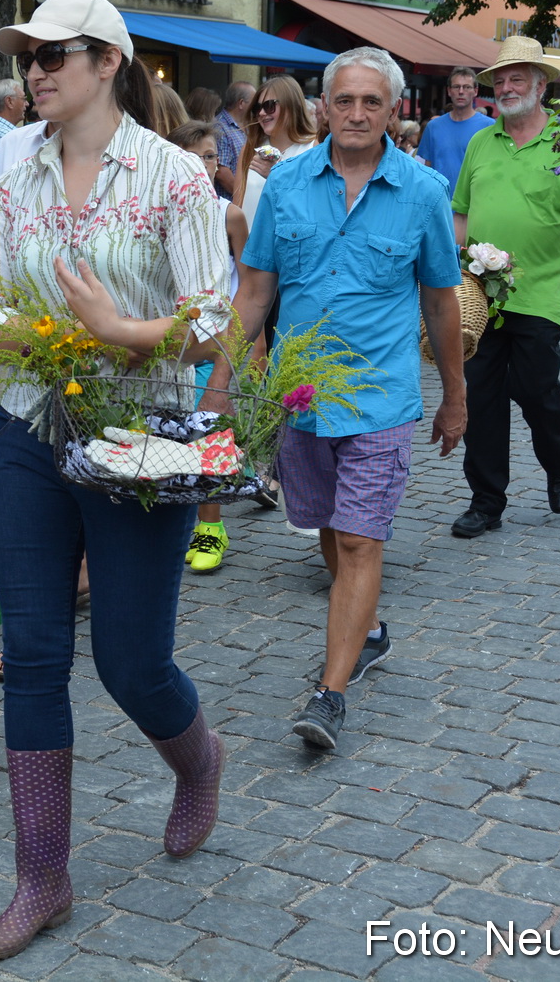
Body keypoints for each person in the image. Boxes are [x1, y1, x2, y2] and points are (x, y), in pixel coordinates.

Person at [0, 0, 233, 963]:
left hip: (140, 437)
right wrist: (39, 339)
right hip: (29, 430)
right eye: (25, 55)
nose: (35, 69)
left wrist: (116, 334)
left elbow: (212, 318)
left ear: (108, 62)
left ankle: (197, 762)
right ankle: (42, 877)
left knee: (129, 662)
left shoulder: (171, 178)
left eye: (53, 54)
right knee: (30, 655)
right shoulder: (10, 172)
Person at [227, 47, 465, 750]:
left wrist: (456, 397)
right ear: (324, 107)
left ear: (395, 110)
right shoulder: (289, 183)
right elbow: (255, 293)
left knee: (361, 536)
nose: (358, 113)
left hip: (381, 397)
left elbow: (441, 303)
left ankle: (329, 696)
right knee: (327, 525)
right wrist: (218, 385)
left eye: (373, 101)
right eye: (346, 100)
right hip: (301, 400)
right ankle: (370, 627)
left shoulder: (422, 191)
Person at [449, 37, 560, 539]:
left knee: (535, 390)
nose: (505, 87)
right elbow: (461, 213)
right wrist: (451, 272)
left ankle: (559, 462)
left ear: (541, 86)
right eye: (499, 80)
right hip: (480, 296)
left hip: (539, 296)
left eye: (516, 78)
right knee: (480, 398)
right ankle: (486, 501)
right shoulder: (481, 142)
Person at [167, 120, 248, 575]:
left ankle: (211, 526)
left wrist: (246, 343)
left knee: (213, 429)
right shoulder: (158, 209)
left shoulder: (228, 214)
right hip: (169, 339)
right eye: (194, 155)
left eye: (211, 156)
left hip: (216, 341)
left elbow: (251, 282)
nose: (204, 164)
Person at [234, 74, 316, 230]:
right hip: (252, 248)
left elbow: (315, 206)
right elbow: (238, 207)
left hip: (293, 249)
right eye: (258, 108)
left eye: (269, 105)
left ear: (291, 105)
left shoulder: (313, 148)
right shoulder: (250, 150)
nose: (262, 113)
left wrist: (277, 175)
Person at [416, 67, 495, 191]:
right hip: (440, 203)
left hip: (474, 203)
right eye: (456, 87)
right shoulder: (433, 127)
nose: (461, 91)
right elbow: (428, 168)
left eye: (467, 87)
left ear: (475, 91)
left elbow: (494, 168)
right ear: (449, 91)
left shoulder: (489, 127)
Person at [216, 81, 254, 197]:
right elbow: (222, 172)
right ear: (241, 103)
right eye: (254, 103)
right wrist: (244, 197)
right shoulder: (220, 127)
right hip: (231, 205)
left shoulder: (245, 125)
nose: (257, 107)